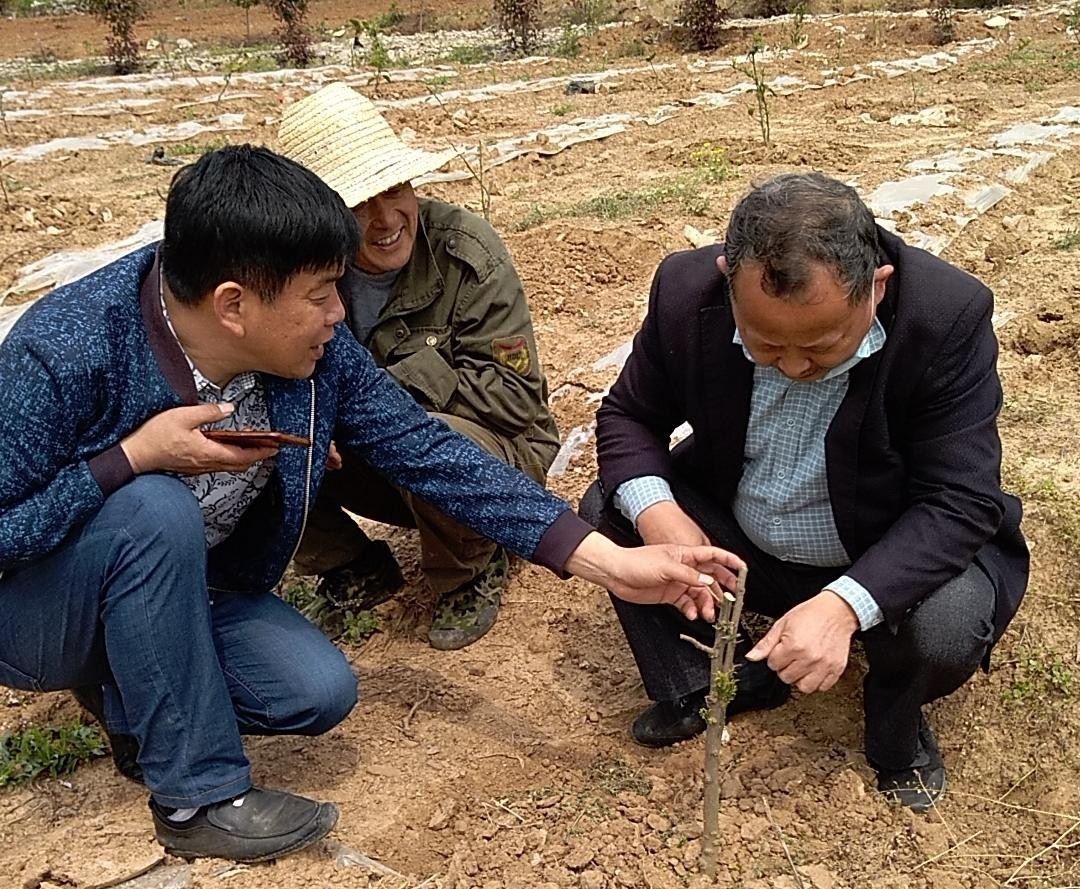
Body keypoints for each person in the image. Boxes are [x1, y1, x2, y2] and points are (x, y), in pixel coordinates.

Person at [0, 145, 745, 863]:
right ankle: (197, 800)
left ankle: (134, 699)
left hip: (190, 588)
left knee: (314, 692)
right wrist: (130, 458)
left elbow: (430, 450)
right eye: (322, 293)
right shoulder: (64, 351)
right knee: (153, 507)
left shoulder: (314, 355)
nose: (337, 312)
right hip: (35, 612)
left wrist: (608, 560)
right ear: (233, 304)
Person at [579, 172, 1029, 812]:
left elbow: (959, 500)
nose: (793, 366)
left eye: (821, 348)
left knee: (945, 626)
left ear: (874, 287)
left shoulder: (944, 317)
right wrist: (661, 519)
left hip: (876, 547)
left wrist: (845, 605)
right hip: (746, 539)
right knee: (612, 509)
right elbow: (628, 415)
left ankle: (894, 728)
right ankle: (718, 681)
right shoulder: (685, 291)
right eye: (765, 345)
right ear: (727, 277)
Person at [276, 83, 559, 650]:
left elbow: (514, 398)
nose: (385, 220)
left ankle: (472, 566)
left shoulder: (465, 252)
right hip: (370, 466)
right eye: (357, 205)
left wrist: (372, 400)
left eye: (394, 190)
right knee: (261, 430)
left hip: (495, 462)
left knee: (435, 435)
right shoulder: (296, 274)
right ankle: (351, 563)